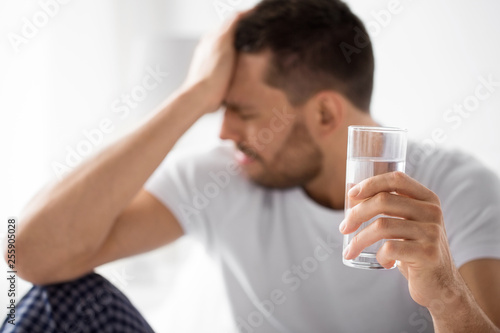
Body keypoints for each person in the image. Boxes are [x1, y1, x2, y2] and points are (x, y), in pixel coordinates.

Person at [4, 0, 500, 332]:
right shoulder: (223, 175)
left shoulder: (456, 190)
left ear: (325, 113)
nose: (223, 131)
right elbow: (22, 253)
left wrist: (445, 294)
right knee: (58, 298)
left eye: (241, 110)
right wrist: (191, 96)